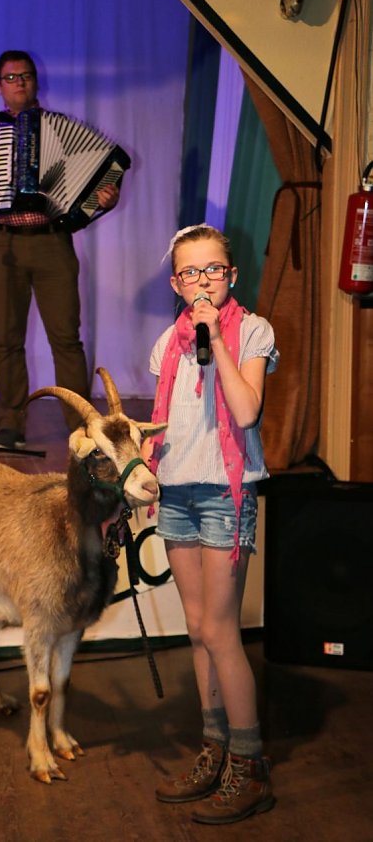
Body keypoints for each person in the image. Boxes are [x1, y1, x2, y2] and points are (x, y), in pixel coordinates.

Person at [144, 224, 279, 825]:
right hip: (176, 493)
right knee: (197, 629)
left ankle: (250, 766)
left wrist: (216, 340)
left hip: (227, 495)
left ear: (232, 275)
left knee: (223, 632)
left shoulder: (251, 331)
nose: (201, 283)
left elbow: (246, 410)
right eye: (190, 274)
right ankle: (214, 748)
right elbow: (161, 424)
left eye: (212, 271)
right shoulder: (164, 343)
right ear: (176, 282)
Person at [0, 50, 120, 450]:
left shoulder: (61, 128)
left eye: (26, 76)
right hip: (1, 243)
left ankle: (82, 427)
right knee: (6, 338)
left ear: (35, 82)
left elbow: (93, 191)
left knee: (66, 339)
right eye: (10, 77)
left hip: (53, 242)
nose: (19, 82)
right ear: (0, 85)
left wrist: (105, 200)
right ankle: (10, 426)